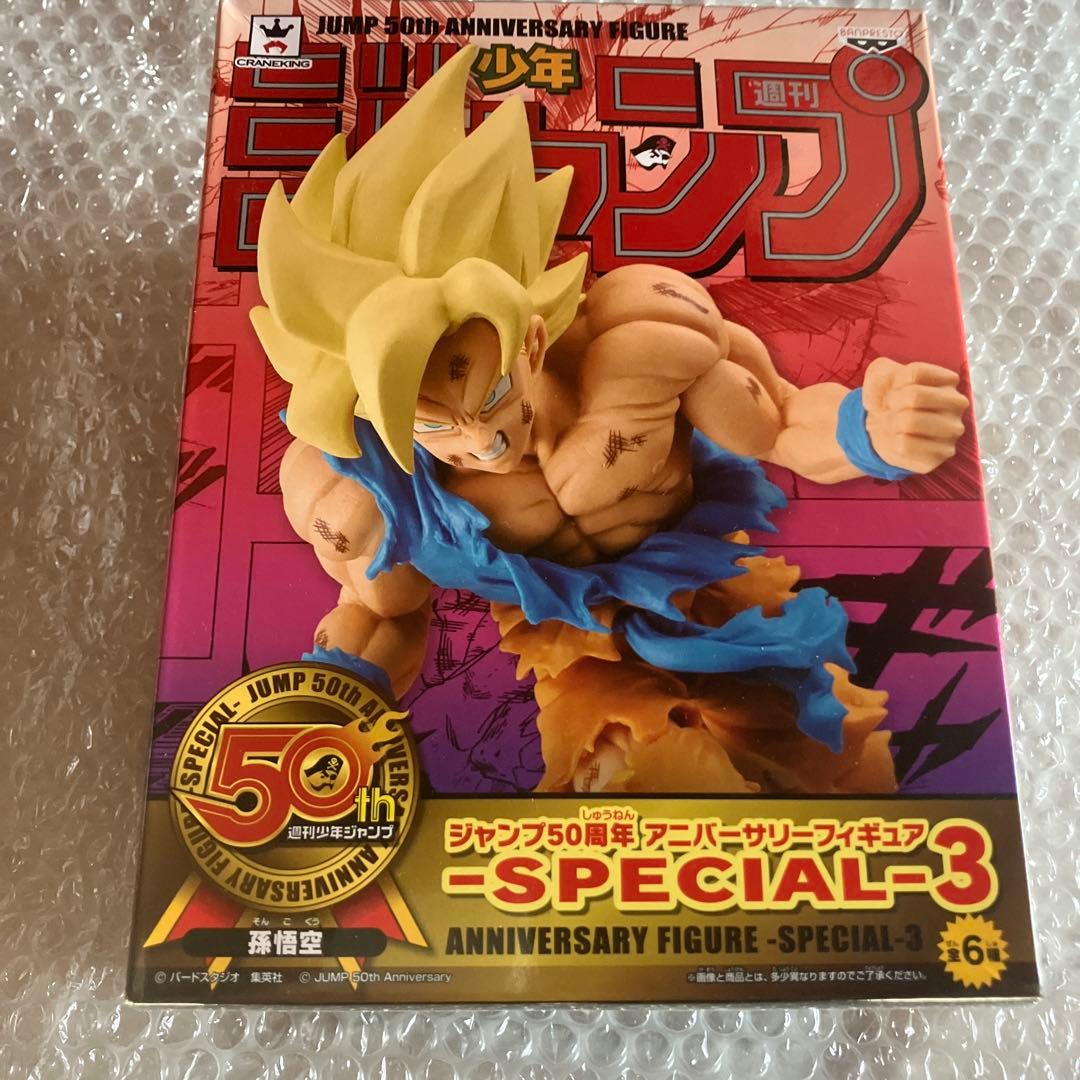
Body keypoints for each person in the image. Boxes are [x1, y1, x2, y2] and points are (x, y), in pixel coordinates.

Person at [252, 47, 968, 794]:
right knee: (633, 779)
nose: (481, 444)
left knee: (846, 770)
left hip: (707, 581)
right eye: (433, 426)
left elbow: (782, 420)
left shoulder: (638, 335)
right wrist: (332, 710)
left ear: (531, 340)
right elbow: (382, 618)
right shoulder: (362, 491)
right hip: (576, 637)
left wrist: (872, 430)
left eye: (489, 396)